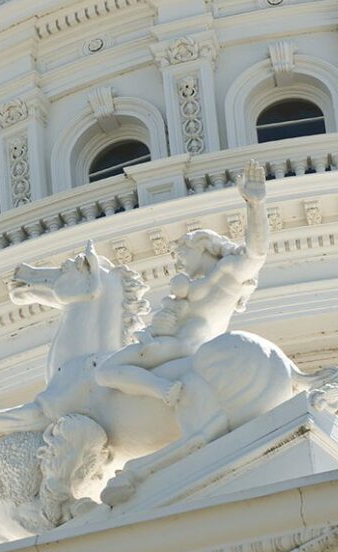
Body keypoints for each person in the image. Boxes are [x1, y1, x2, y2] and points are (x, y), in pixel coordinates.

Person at [93, 159, 270, 406]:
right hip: (176, 342)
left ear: (200, 246)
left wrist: (255, 204)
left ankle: (162, 389)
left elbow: (256, 254)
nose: (178, 265)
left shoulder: (228, 271)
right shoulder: (200, 283)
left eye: (181, 255)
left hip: (187, 345)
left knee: (105, 371)